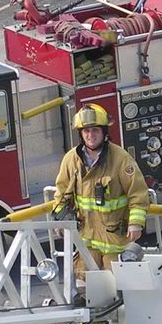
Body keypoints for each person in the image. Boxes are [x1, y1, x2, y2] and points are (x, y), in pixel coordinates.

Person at [52, 103, 149, 274]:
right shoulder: (71, 160)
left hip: (115, 242)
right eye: (86, 131)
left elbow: (138, 194)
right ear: (81, 134)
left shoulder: (121, 159)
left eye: (95, 130)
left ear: (104, 132)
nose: (90, 135)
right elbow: (61, 193)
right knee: (85, 288)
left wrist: (136, 223)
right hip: (86, 240)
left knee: (116, 288)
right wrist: (60, 218)